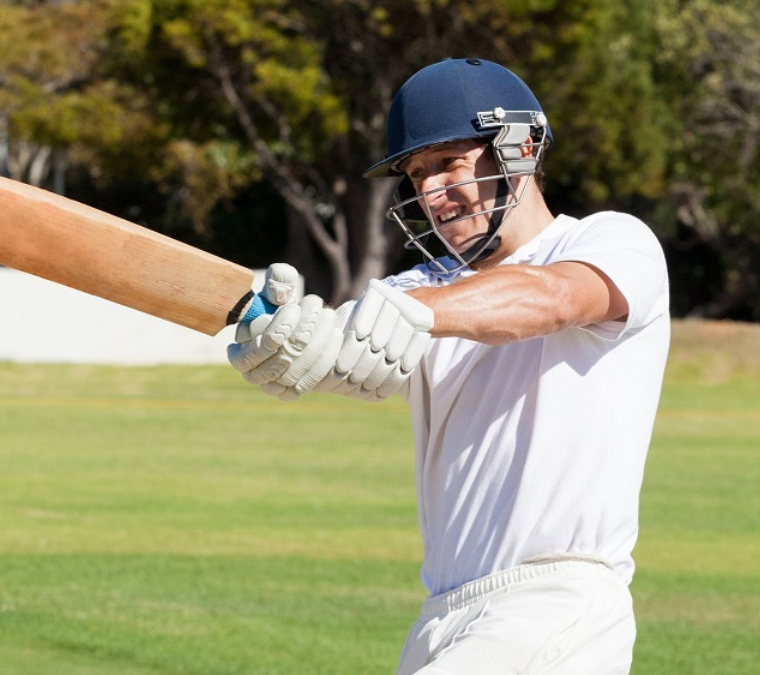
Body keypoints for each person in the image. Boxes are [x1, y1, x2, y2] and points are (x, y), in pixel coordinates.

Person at [228, 57, 670, 674]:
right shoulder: (423, 286)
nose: (431, 194)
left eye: (448, 164)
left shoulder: (609, 240)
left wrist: (416, 309)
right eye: (416, 175)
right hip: (444, 613)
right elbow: (356, 348)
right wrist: (293, 341)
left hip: (554, 601)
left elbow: (554, 298)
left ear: (519, 146)